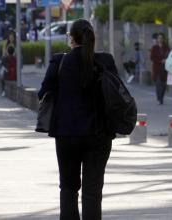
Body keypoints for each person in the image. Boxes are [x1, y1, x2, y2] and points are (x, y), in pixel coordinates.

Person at [38, 19, 117, 220]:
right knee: (92, 190)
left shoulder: (60, 62)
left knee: (68, 187)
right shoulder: (105, 61)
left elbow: (43, 93)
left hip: (66, 134)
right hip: (98, 135)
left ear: (71, 38)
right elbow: (117, 94)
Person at [150, 32, 169, 105]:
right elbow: (152, 57)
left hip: (165, 68)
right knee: (158, 83)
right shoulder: (154, 47)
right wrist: (160, 60)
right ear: (157, 39)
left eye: (161, 38)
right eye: (159, 38)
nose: (160, 39)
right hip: (157, 68)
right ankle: (159, 98)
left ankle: (161, 97)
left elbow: (170, 56)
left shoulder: (166, 47)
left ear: (163, 39)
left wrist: (166, 60)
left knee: (164, 84)